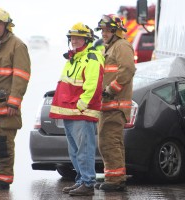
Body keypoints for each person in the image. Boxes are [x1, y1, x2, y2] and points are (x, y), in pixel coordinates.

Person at [49, 22, 104, 196]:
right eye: (72, 37)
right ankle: (81, 180)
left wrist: (81, 105)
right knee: (74, 151)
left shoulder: (92, 57)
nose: (74, 40)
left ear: (87, 39)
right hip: (70, 112)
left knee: (84, 150)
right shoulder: (74, 57)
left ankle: (87, 183)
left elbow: (93, 85)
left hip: (81, 112)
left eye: (78, 37)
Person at [94, 14, 136, 191]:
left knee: (109, 141)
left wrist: (111, 89)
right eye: (102, 30)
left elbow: (127, 70)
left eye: (107, 30)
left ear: (115, 30)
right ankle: (113, 177)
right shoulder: (109, 48)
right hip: (108, 105)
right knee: (109, 141)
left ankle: (115, 181)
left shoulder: (122, 46)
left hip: (115, 104)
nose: (103, 33)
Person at [0, 8, 31, 190]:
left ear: (7, 26)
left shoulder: (17, 45)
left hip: (6, 108)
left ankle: (3, 178)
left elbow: (21, 76)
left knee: (2, 143)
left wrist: (14, 101)